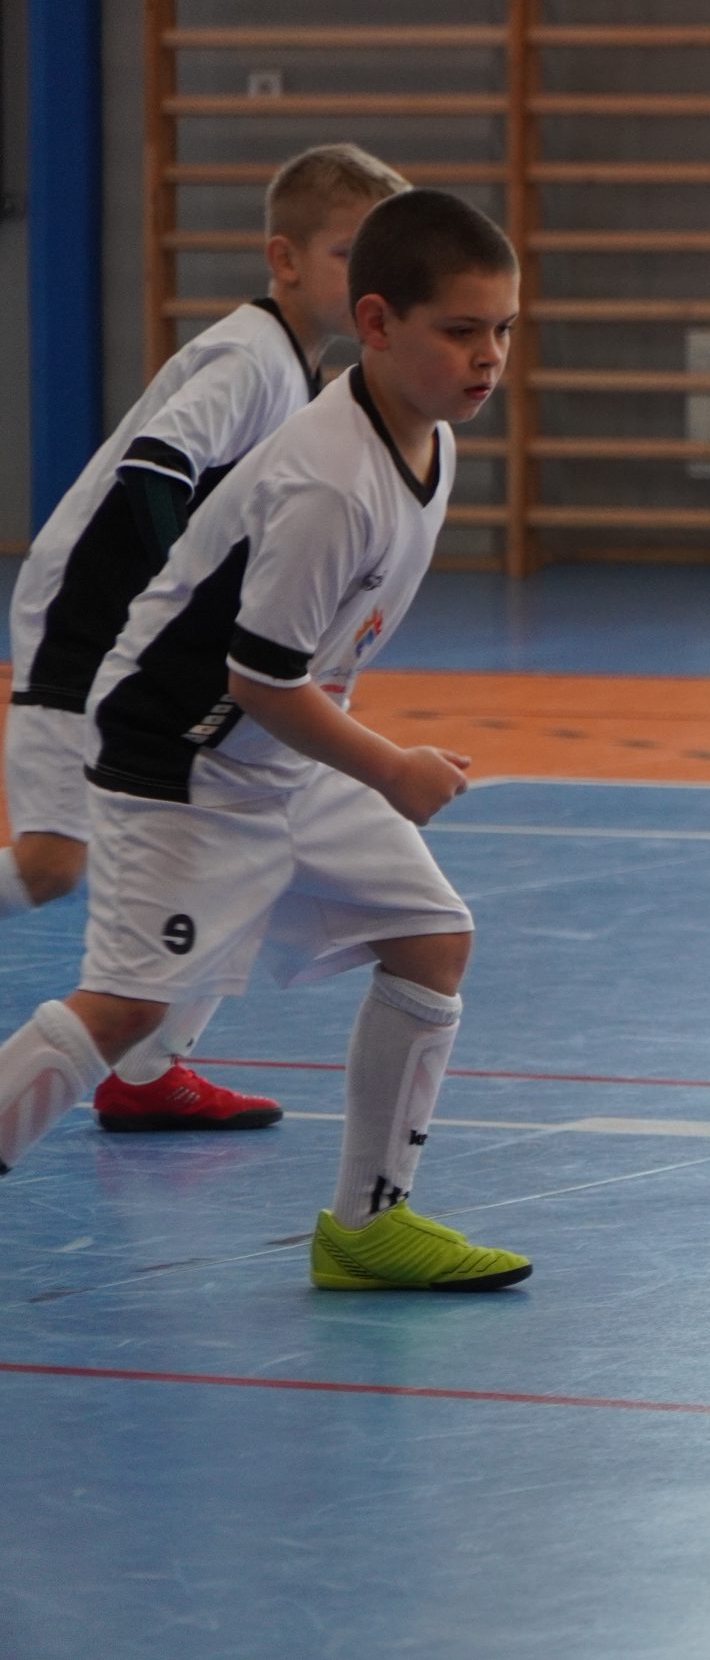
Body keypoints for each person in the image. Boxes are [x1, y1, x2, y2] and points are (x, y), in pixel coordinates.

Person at [0, 187, 533, 1293]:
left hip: (273, 752)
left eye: (503, 329)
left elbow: (304, 668)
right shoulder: (330, 479)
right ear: (377, 322)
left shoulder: (430, 441)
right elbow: (258, 677)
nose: (488, 356)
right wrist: (390, 768)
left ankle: (367, 1227)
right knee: (129, 1007)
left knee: (431, 938)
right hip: (181, 759)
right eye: (460, 330)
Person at [4, 143, 410, 1133]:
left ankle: (150, 1072)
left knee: (238, 831)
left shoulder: (307, 382)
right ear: (284, 259)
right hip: (87, 621)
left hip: (145, 647)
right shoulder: (249, 357)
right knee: (51, 866)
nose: (368, 279)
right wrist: (187, 593)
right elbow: (155, 467)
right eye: (348, 253)